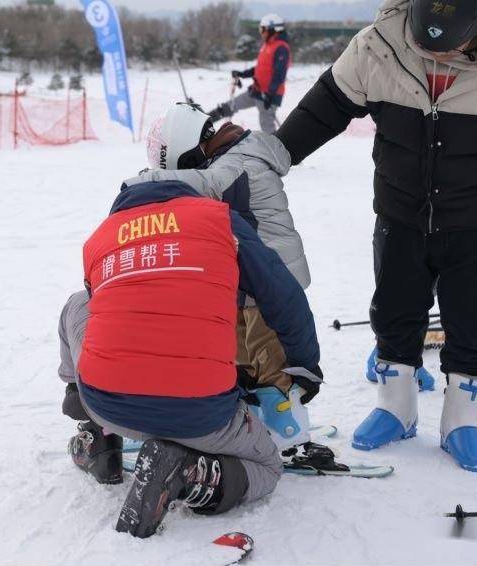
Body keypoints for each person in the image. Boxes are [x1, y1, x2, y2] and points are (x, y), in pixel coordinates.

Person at [274, 0, 477, 472]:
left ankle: (461, 422)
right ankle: (397, 409)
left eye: (452, 50)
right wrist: (276, 155)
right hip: (401, 214)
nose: (438, 60)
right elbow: (327, 105)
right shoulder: (381, 43)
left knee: (474, 324)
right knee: (394, 313)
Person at [58, 179, 322, 538]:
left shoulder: (101, 236)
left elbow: (110, 312)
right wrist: (304, 366)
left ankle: (98, 435)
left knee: (78, 304)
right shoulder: (219, 220)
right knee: (266, 467)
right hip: (201, 414)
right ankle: (189, 471)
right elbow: (282, 294)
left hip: (107, 403)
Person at [123, 102, 321, 452]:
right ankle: (263, 418)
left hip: (270, 285)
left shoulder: (239, 162)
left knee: (266, 357)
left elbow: (207, 185)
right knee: (242, 355)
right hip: (252, 279)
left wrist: (144, 183)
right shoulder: (230, 155)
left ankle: (288, 430)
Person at [207, 14, 291, 134]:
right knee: (230, 105)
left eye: (263, 29)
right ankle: (204, 122)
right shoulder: (268, 46)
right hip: (256, 91)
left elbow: (279, 75)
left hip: (269, 95)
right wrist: (242, 74)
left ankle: (277, 149)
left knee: (266, 125)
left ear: (272, 30)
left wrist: (270, 94)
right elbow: (260, 68)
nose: (261, 32)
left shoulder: (281, 48)